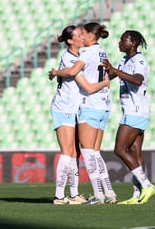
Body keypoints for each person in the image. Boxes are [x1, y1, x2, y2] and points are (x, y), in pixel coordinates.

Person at [49, 22, 117, 204]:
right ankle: (59, 196)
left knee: (75, 152)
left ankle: (74, 194)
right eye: (78, 35)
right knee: (69, 152)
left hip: (76, 108)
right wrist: (105, 82)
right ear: (70, 40)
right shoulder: (73, 57)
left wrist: (56, 72)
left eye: (82, 33)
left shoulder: (82, 55)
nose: (81, 37)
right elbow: (78, 77)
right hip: (64, 107)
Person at [102, 30, 155, 204]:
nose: (119, 43)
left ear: (132, 43)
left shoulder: (139, 60)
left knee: (119, 150)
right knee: (135, 152)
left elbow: (137, 80)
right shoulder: (124, 60)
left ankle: (147, 185)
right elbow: (110, 75)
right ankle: (137, 195)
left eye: (122, 40)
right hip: (132, 111)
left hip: (136, 110)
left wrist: (115, 72)